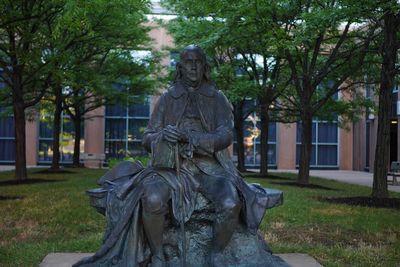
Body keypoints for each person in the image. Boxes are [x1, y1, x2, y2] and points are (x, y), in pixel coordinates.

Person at [74, 45, 276, 267]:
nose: (193, 66)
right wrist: (162, 136)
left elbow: (226, 135)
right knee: (151, 199)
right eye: (188, 62)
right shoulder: (168, 98)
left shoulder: (217, 98)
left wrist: (193, 139)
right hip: (171, 168)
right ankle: (158, 255)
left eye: (197, 62)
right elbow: (147, 137)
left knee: (230, 202)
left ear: (204, 67)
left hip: (210, 168)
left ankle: (216, 254)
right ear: (180, 68)